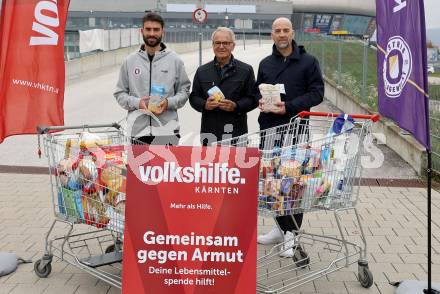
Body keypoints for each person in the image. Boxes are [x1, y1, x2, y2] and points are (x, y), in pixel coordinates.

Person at [256, 18, 324, 257]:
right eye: (277, 30)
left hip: (295, 131)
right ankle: (279, 228)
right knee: (272, 183)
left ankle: (292, 235)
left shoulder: (308, 62)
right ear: (272, 35)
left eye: (286, 30)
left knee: (294, 185)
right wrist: (261, 101)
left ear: (292, 33)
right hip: (269, 131)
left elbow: (317, 93)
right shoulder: (265, 63)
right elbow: (258, 90)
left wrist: (290, 106)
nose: (282, 34)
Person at [114, 12, 190, 145]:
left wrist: (168, 103)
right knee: (137, 167)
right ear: (142, 31)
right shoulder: (130, 61)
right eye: (148, 29)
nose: (152, 33)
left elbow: (184, 92)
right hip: (137, 132)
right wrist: (138, 103)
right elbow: (120, 93)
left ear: (163, 32)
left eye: (156, 30)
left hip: (167, 132)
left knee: (166, 166)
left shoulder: (175, 60)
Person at [189, 27, 256, 145]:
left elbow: (253, 98)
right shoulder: (202, 71)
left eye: (225, 43)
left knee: (235, 164)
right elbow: (194, 97)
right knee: (209, 164)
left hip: (236, 133)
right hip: (209, 134)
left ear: (233, 46)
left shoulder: (246, 70)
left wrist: (236, 106)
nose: (221, 46)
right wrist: (205, 105)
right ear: (212, 45)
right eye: (217, 43)